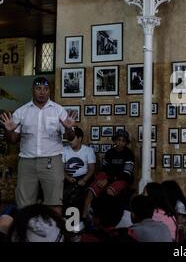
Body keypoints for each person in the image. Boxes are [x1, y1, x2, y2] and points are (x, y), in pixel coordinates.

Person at [0, 77, 76, 214]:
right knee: (24, 205)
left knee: (54, 203)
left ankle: (54, 234)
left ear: (49, 91)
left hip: (52, 162)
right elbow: (12, 140)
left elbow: (70, 138)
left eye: (45, 89)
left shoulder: (58, 111)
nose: (42, 92)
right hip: (26, 163)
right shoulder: (22, 112)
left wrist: (69, 128)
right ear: (33, 90)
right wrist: (8, 130)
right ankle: (26, 234)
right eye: (38, 88)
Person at [83, 130, 135, 220]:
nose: (120, 143)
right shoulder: (110, 152)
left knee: (109, 191)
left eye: (123, 141)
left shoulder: (129, 154)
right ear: (115, 141)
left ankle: (109, 219)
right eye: (118, 140)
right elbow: (105, 170)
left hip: (123, 179)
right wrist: (100, 179)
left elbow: (126, 174)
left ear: (126, 143)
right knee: (91, 190)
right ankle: (84, 218)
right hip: (108, 177)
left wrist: (108, 180)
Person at [62, 127, 96, 215]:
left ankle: (75, 222)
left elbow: (91, 169)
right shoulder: (64, 150)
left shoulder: (88, 150)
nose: (69, 141)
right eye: (68, 138)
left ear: (79, 139)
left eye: (72, 138)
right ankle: (65, 219)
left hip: (83, 178)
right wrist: (67, 177)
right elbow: (61, 168)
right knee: (64, 193)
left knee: (76, 194)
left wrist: (84, 179)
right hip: (68, 178)